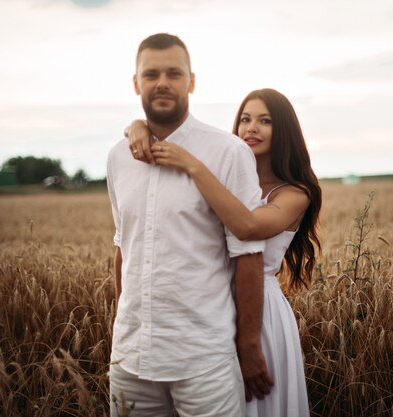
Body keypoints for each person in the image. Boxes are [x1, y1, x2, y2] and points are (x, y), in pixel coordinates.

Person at [126, 88, 322, 417]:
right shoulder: (224, 179)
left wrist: (194, 166)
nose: (251, 128)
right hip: (207, 302)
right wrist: (136, 126)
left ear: (284, 130)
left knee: (255, 405)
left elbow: (247, 227)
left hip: (259, 313)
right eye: (245, 119)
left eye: (265, 121)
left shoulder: (294, 194)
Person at [106, 33, 273, 417]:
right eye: (151, 74)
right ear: (136, 83)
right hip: (130, 360)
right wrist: (123, 332)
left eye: (173, 73)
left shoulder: (227, 152)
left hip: (203, 359)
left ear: (191, 82)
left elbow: (248, 253)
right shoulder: (118, 157)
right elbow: (122, 248)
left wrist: (248, 345)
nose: (162, 82)